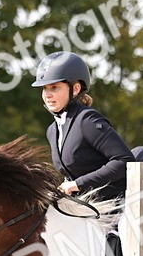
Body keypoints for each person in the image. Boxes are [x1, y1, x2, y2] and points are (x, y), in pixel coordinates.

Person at [31, 51, 135, 202]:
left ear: (75, 89)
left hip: (121, 204)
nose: (47, 94)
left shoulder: (87, 120)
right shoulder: (52, 130)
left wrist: (77, 184)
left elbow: (124, 160)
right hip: (88, 207)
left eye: (54, 87)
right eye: (44, 88)